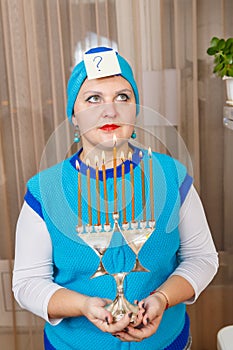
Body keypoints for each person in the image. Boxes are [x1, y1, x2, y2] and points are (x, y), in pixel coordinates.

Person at [13, 46, 218, 350]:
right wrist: (84, 305)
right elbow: (27, 283)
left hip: (167, 342)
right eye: (93, 98)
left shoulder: (171, 176)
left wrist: (162, 298)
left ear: (136, 109)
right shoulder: (46, 190)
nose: (109, 111)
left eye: (122, 97)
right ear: (74, 115)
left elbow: (202, 259)